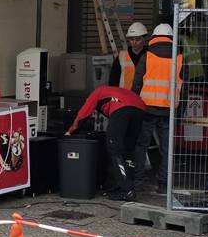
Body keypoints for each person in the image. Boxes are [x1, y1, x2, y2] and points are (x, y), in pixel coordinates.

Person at [64, 83, 147, 199]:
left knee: (114, 150)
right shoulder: (112, 91)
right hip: (140, 108)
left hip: (122, 108)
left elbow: (84, 113)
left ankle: (127, 190)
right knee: (128, 151)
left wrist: (71, 131)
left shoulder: (96, 93)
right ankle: (117, 186)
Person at [133, 23, 180, 189]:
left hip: (146, 108)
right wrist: (180, 112)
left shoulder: (147, 56)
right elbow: (184, 88)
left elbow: (137, 83)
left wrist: (133, 105)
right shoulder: (179, 58)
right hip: (169, 110)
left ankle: (137, 181)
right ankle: (164, 184)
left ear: (154, 38)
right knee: (167, 148)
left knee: (141, 146)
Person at [116, 22, 149, 92]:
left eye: (137, 39)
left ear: (144, 39)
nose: (134, 42)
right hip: (125, 97)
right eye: (131, 39)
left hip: (143, 97)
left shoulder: (150, 56)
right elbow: (114, 80)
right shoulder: (121, 56)